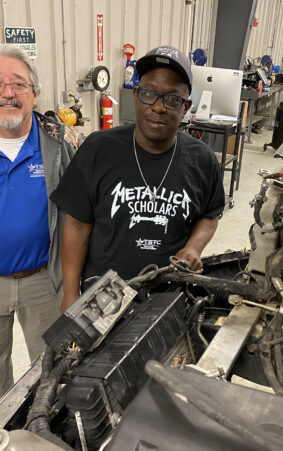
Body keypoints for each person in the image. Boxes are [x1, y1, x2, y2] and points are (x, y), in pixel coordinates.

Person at [51, 45, 225, 313]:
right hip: (101, 297)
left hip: (169, 297)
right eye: (149, 94)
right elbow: (76, 226)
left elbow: (210, 214)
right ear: (135, 95)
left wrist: (193, 247)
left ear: (186, 106)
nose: (158, 107)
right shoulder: (98, 149)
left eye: (171, 99)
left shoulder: (202, 160)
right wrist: (71, 293)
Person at [0, 44, 79, 396]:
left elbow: (83, 211)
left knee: (52, 371)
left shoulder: (60, 143)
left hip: (44, 280)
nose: (7, 93)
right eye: (0, 84)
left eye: (18, 84)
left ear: (34, 94)